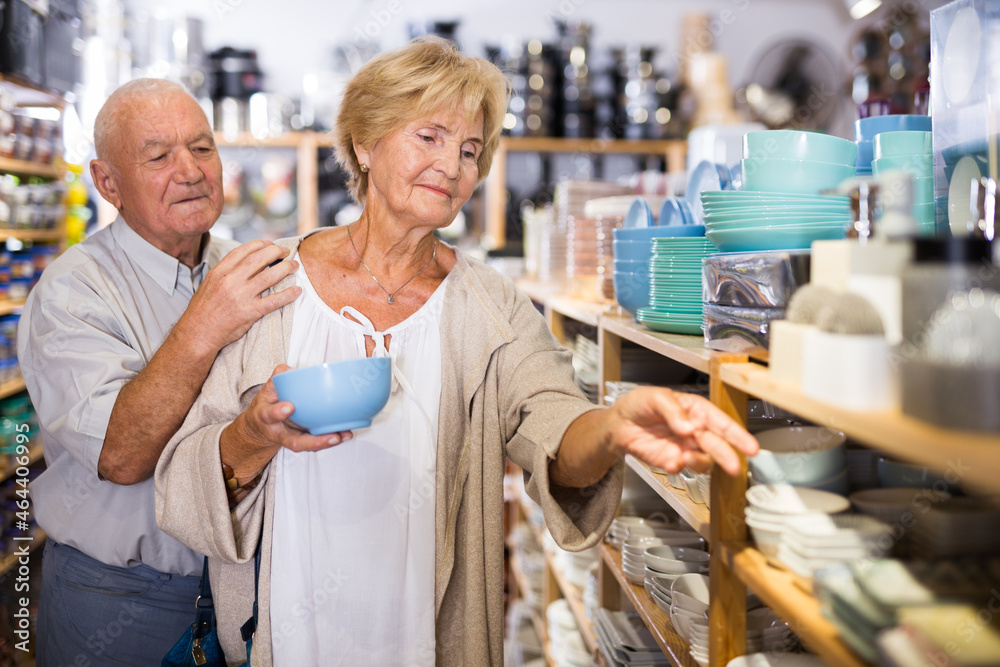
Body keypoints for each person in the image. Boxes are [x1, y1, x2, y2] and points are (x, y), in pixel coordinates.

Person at [155, 37, 758, 667]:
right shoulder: (268, 280)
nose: (453, 166)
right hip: (284, 639)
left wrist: (614, 427)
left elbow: (554, 422)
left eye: (471, 150)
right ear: (365, 143)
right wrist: (254, 433)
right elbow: (184, 474)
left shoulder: (489, 307)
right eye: (430, 137)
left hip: (425, 643)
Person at [17, 78, 302, 665]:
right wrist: (205, 323)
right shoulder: (70, 293)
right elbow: (122, 455)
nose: (191, 170)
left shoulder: (250, 265)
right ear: (107, 183)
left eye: (202, 149)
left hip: (237, 586)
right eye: (158, 156)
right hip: (121, 597)